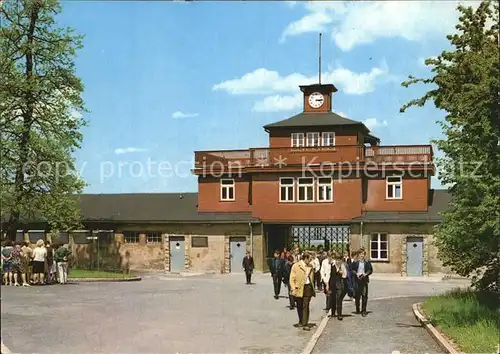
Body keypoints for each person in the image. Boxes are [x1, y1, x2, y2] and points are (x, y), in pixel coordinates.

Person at [290, 252, 315, 331]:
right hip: (299, 288)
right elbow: (292, 278)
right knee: (299, 305)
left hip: (308, 287)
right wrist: (293, 288)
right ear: (306, 258)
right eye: (310, 259)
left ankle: (305, 323)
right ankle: (301, 320)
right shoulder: (296, 266)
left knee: (306, 305)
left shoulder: (311, 266)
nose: (311, 261)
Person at [351, 249, 373, 317]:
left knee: (364, 296)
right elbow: (351, 270)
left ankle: (364, 310)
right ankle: (357, 308)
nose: (362, 256)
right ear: (358, 255)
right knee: (357, 296)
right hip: (357, 280)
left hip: (364, 280)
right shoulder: (355, 262)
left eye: (363, 254)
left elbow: (370, 270)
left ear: (364, 255)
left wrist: (366, 274)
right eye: (360, 254)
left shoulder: (367, 262)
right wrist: (356, 274)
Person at [327, 252, 348, 320]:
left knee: (339, 299)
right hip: (333, 285)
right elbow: (331, 276)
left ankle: (339, 314)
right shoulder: (333, 266)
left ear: (341, 260)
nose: (338, 261)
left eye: (339, 260)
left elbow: (345, 275)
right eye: (337, 260)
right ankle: (333, 313)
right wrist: (329, 286)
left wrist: (341, 273)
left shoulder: (343, 266)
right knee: (333, 299)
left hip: (340, 285)